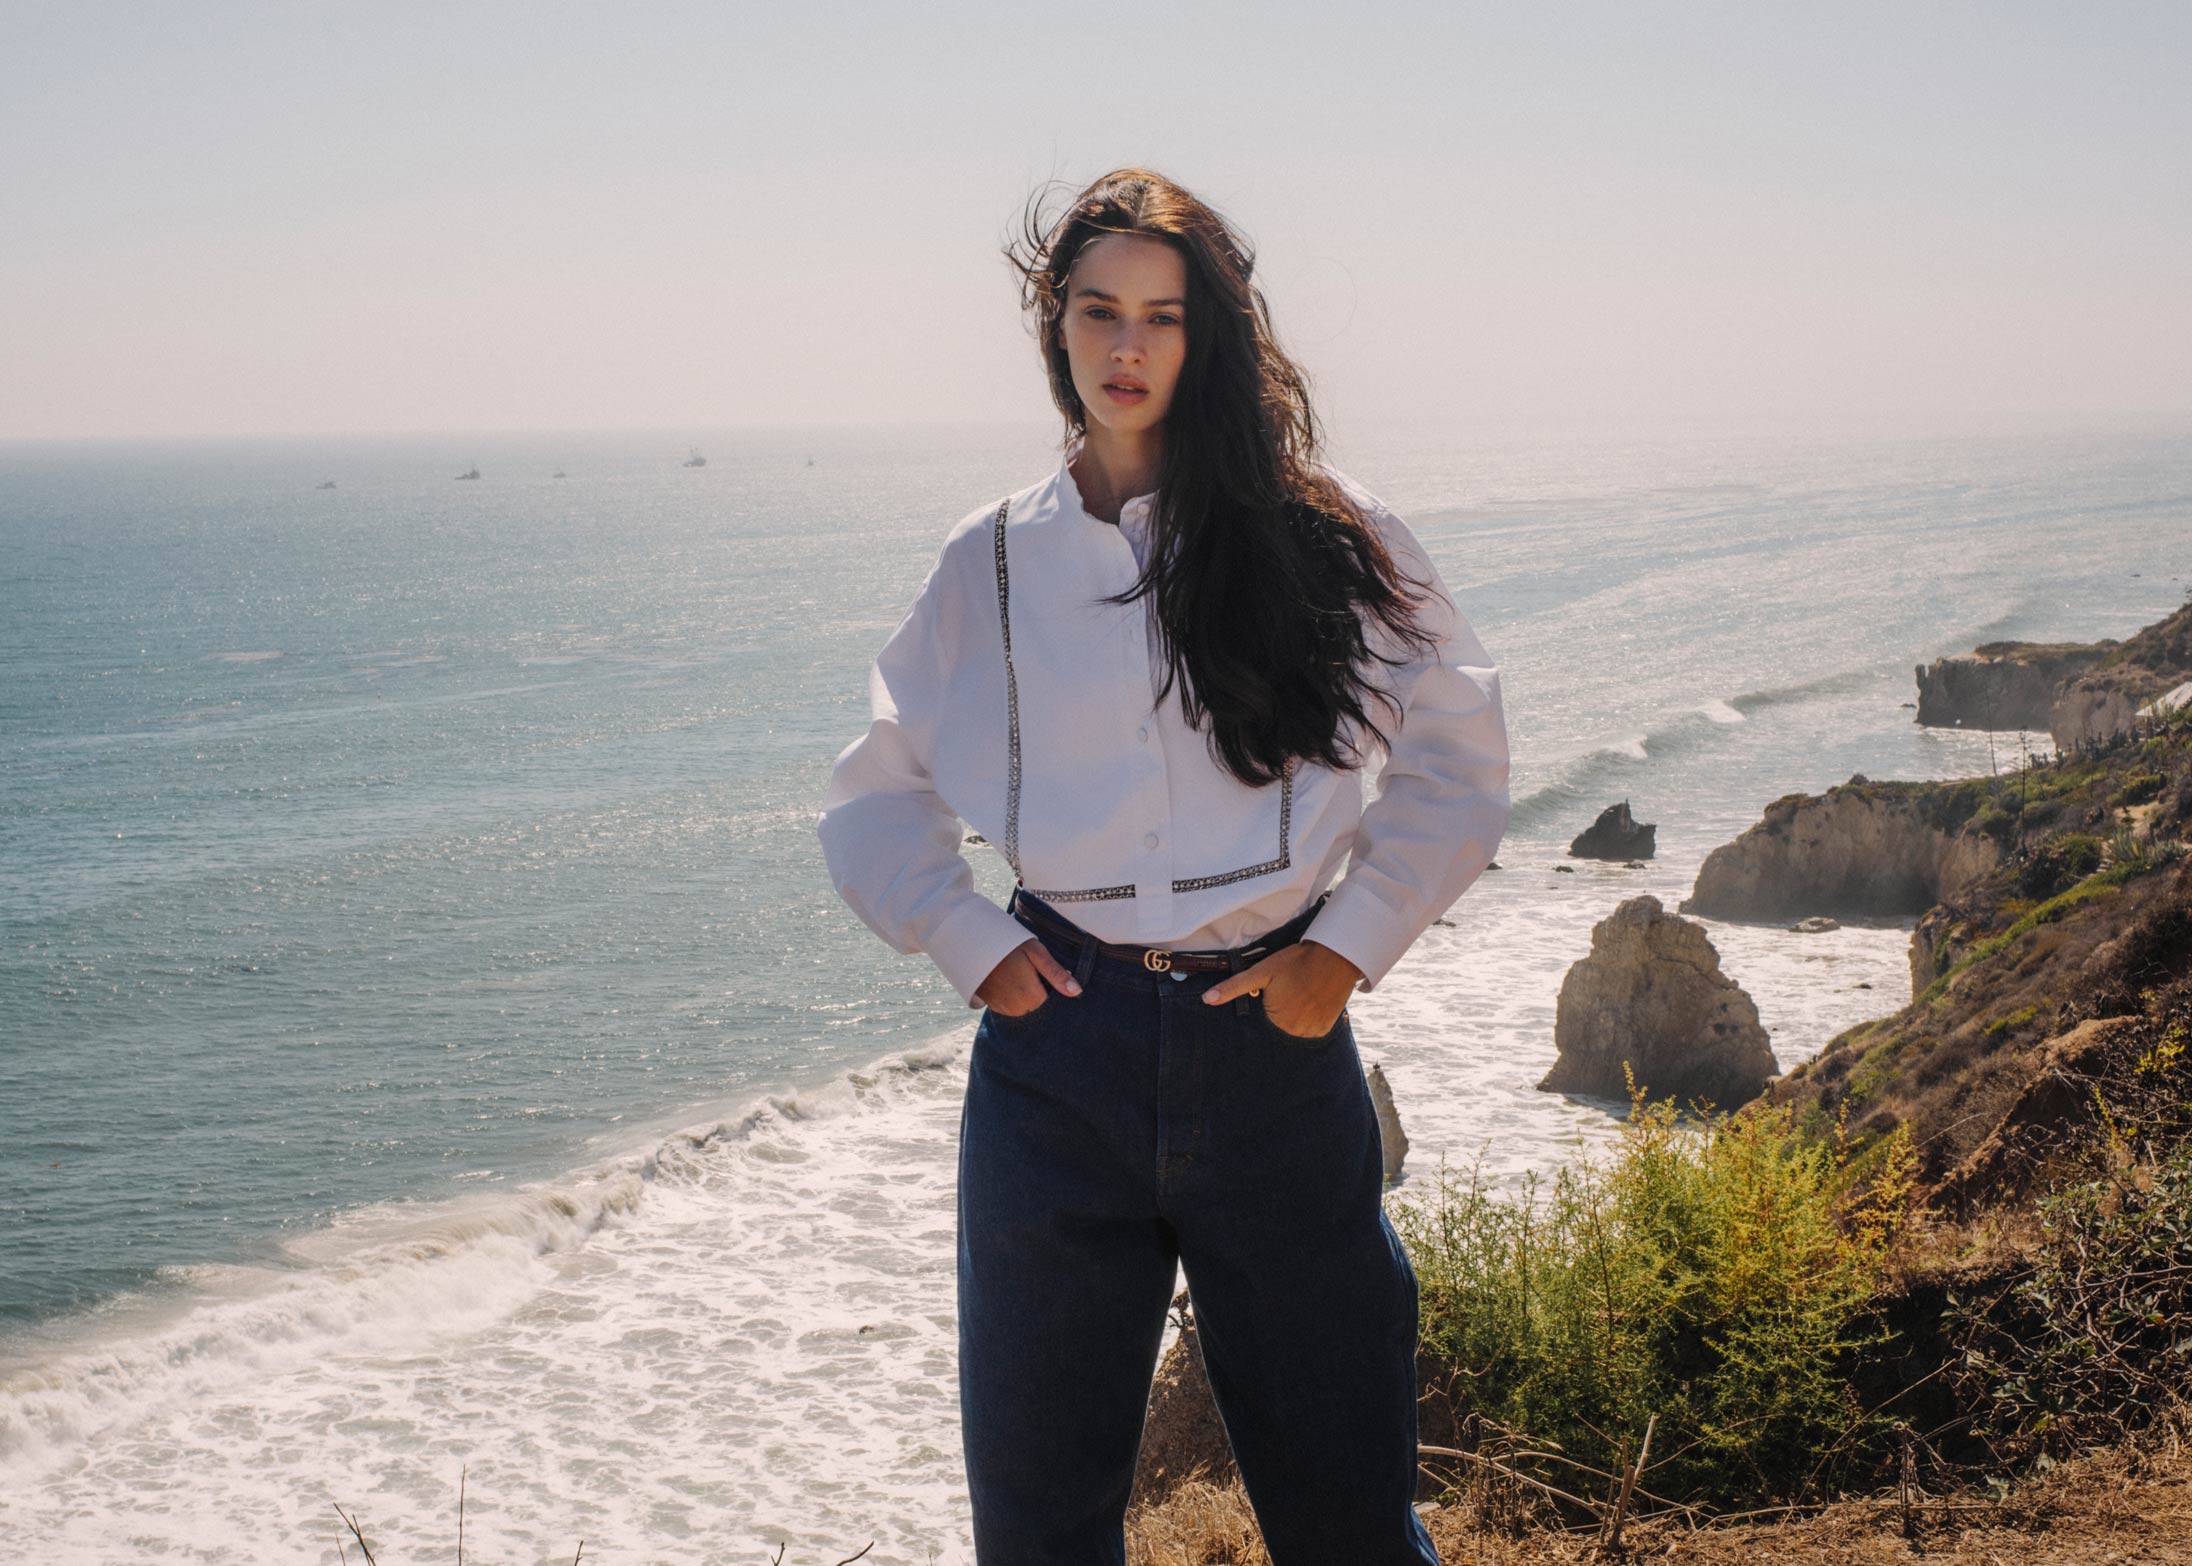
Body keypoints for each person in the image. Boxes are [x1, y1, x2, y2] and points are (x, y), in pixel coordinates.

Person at [817, 167, 1511, 1565]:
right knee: (1039, 1529)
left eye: (1162, 317)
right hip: (1054, 1065)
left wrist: (1342, 950)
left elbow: (1460, 749)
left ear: (1211, 336)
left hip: (1271, 1051)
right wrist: (971, 944)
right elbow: (873, 793)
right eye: (1096, 313)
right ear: (1053, 325)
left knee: (1348, 1521)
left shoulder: (1328, 532)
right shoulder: (989, 562)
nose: (1125, 350)